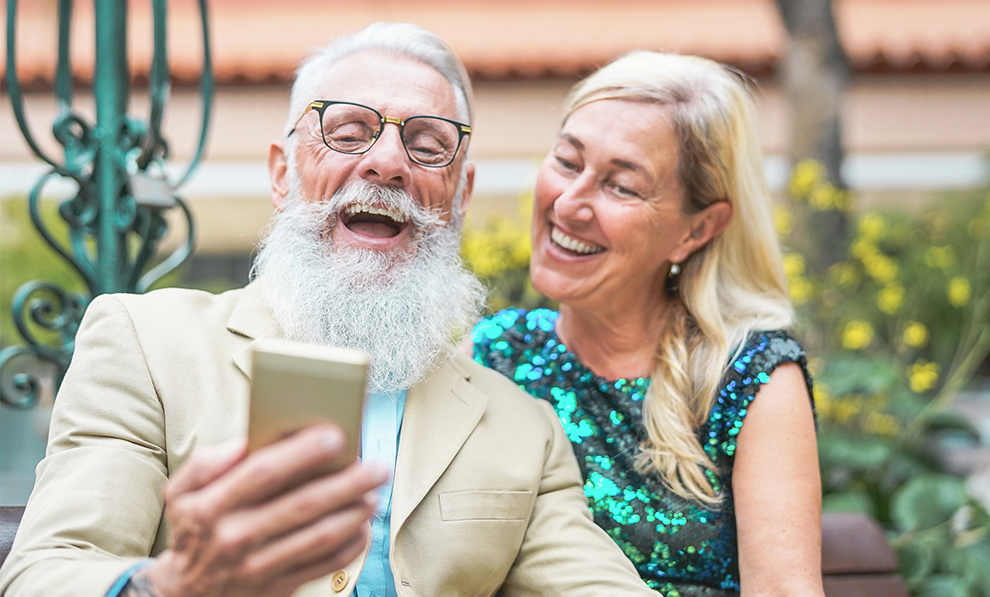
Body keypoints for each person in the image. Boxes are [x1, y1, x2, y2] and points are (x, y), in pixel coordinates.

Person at [0, 23, 660, 597]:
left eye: (428, 144)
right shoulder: (146, 343)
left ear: (460, 195)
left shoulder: (524, 427)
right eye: (348, 131)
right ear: (282, 173)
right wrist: (178, 584)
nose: (387, 163)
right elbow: (48, 574)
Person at [473, 51, 825, 596]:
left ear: (697, 229)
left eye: (622, 186)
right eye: (567, 161)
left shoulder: (748, 380)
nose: (569, 203)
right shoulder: (493, 355)